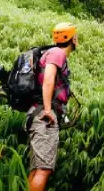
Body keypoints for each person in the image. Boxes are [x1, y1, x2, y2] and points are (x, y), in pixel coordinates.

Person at [27, 22, 77, 191]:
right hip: (44, 116)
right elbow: (48, 80)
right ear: (71, 38)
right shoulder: (56, 53)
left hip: (38, 113)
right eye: (75, 36)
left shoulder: (53, 53)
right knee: (43, 170)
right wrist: (48, 110)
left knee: (37, 169)